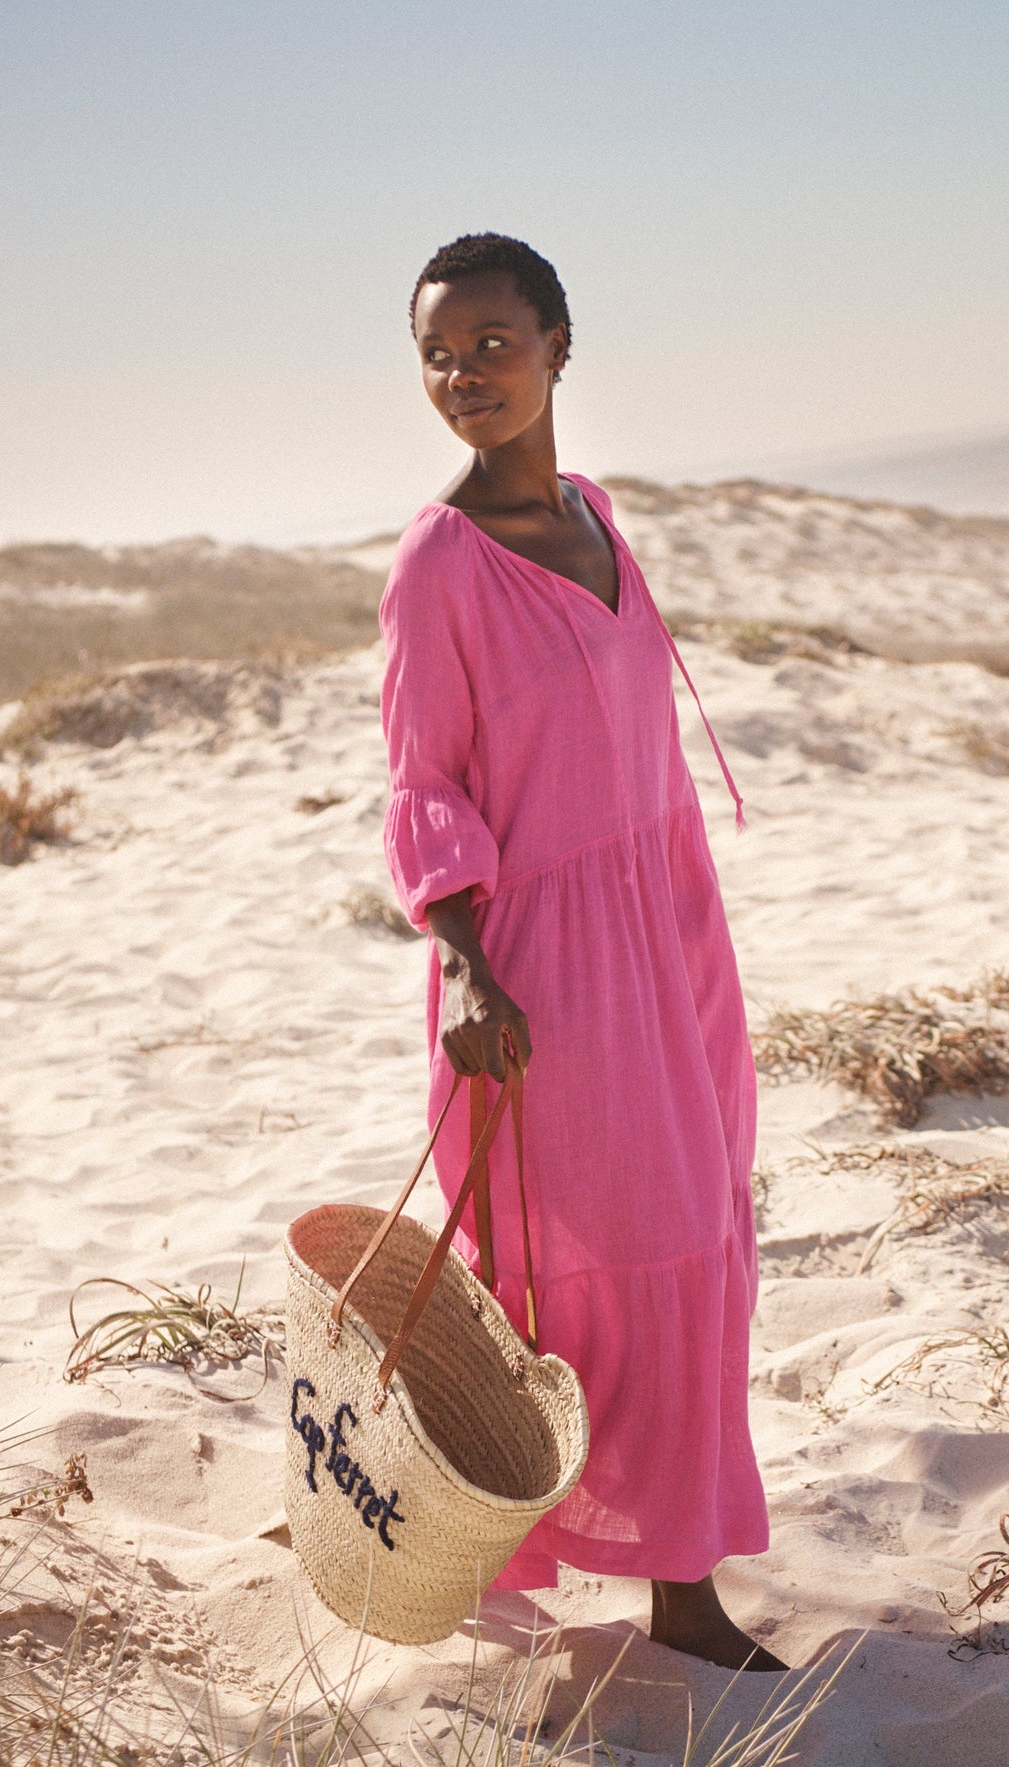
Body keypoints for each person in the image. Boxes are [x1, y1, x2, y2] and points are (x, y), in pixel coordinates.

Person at [380, 232, 783, 1672]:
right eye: (438, 351)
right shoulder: (438, 563)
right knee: (634, 1249)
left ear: (558, 345)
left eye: (492, 342)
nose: (462, 374)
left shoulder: (603, 519)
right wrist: (474, 969)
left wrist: (681, 913)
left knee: (708, 1236)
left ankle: (634, 1544)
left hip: (668, 927)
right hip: (545, 956)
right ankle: (675, 1590)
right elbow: (425, 784)